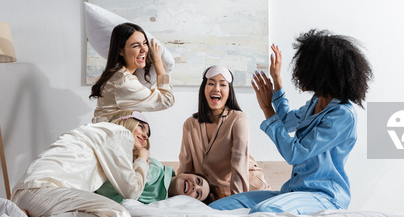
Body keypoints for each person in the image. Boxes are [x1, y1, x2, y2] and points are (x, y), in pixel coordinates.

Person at [210, 30, 373, 214]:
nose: (297, 74)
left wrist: (267, 109)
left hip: (323, 196)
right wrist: (277, 81)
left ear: (321, 73)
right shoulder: (315, 103)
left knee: (265, 210)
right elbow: (287, 121)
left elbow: (295, 153)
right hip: (293, 190)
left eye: (303, 68)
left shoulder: (343, 115)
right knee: (218, 207)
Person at [10, 110, 153, 217]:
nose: (145, 135)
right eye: (141, 127)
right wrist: (142, 160)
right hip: (42, 190)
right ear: (128, 122)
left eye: (147, 135)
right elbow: (132, 191)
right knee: (117, 213)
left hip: (28, 194)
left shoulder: (97, 132)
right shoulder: (120, 133)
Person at [178, 65, 270, 201]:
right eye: (211, 83)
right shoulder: (190, 124)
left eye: (223, 85)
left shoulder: (238, 119)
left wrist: (237, 203)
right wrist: (178, 197)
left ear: (229, 91)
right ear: (204, 88)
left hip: (248, 192)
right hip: (212, 197)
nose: (216, 89)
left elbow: (239, 164)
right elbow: (185, 168)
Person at [89, 22, 174, 123]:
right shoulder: (124, 82)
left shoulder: (118, 75)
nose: (143, 50)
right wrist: (157, 60)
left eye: (145, 43)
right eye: (136, 45)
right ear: (120, 51)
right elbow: (166, 100)